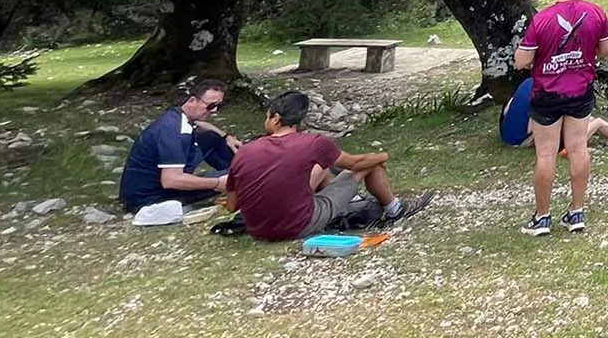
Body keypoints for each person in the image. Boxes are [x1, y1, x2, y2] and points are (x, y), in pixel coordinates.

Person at [223, 91, 432, 241]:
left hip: (257, 230)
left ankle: (353, 203)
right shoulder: (312, 143)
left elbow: (233, 206)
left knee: (321, 167)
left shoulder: (245, 151)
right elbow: (356, 163)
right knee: (369, 165)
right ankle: (395, 209)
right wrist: (382, 156)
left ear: (276, 119)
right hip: (297, 225)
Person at [514, 0, 608, 236]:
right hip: (580, 90)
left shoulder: (542, 18)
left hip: (547, 92)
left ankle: (542, 217)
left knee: (546, 154)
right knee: (578, 149)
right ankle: (576, 211)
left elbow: (521, 60)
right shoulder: (596, 13)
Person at [119, 79, 238, 213]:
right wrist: (217, 183)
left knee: (211, 137)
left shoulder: (175, 115)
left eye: (218, 106)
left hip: (138, 192)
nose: (214, 111)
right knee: (242, 173)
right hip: (150, 199)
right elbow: (170, 180)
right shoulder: (174, 132)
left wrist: (226, 136)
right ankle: (238, 181)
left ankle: (234, 173)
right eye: (210, 106)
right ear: (192, 100)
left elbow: (201, 124)